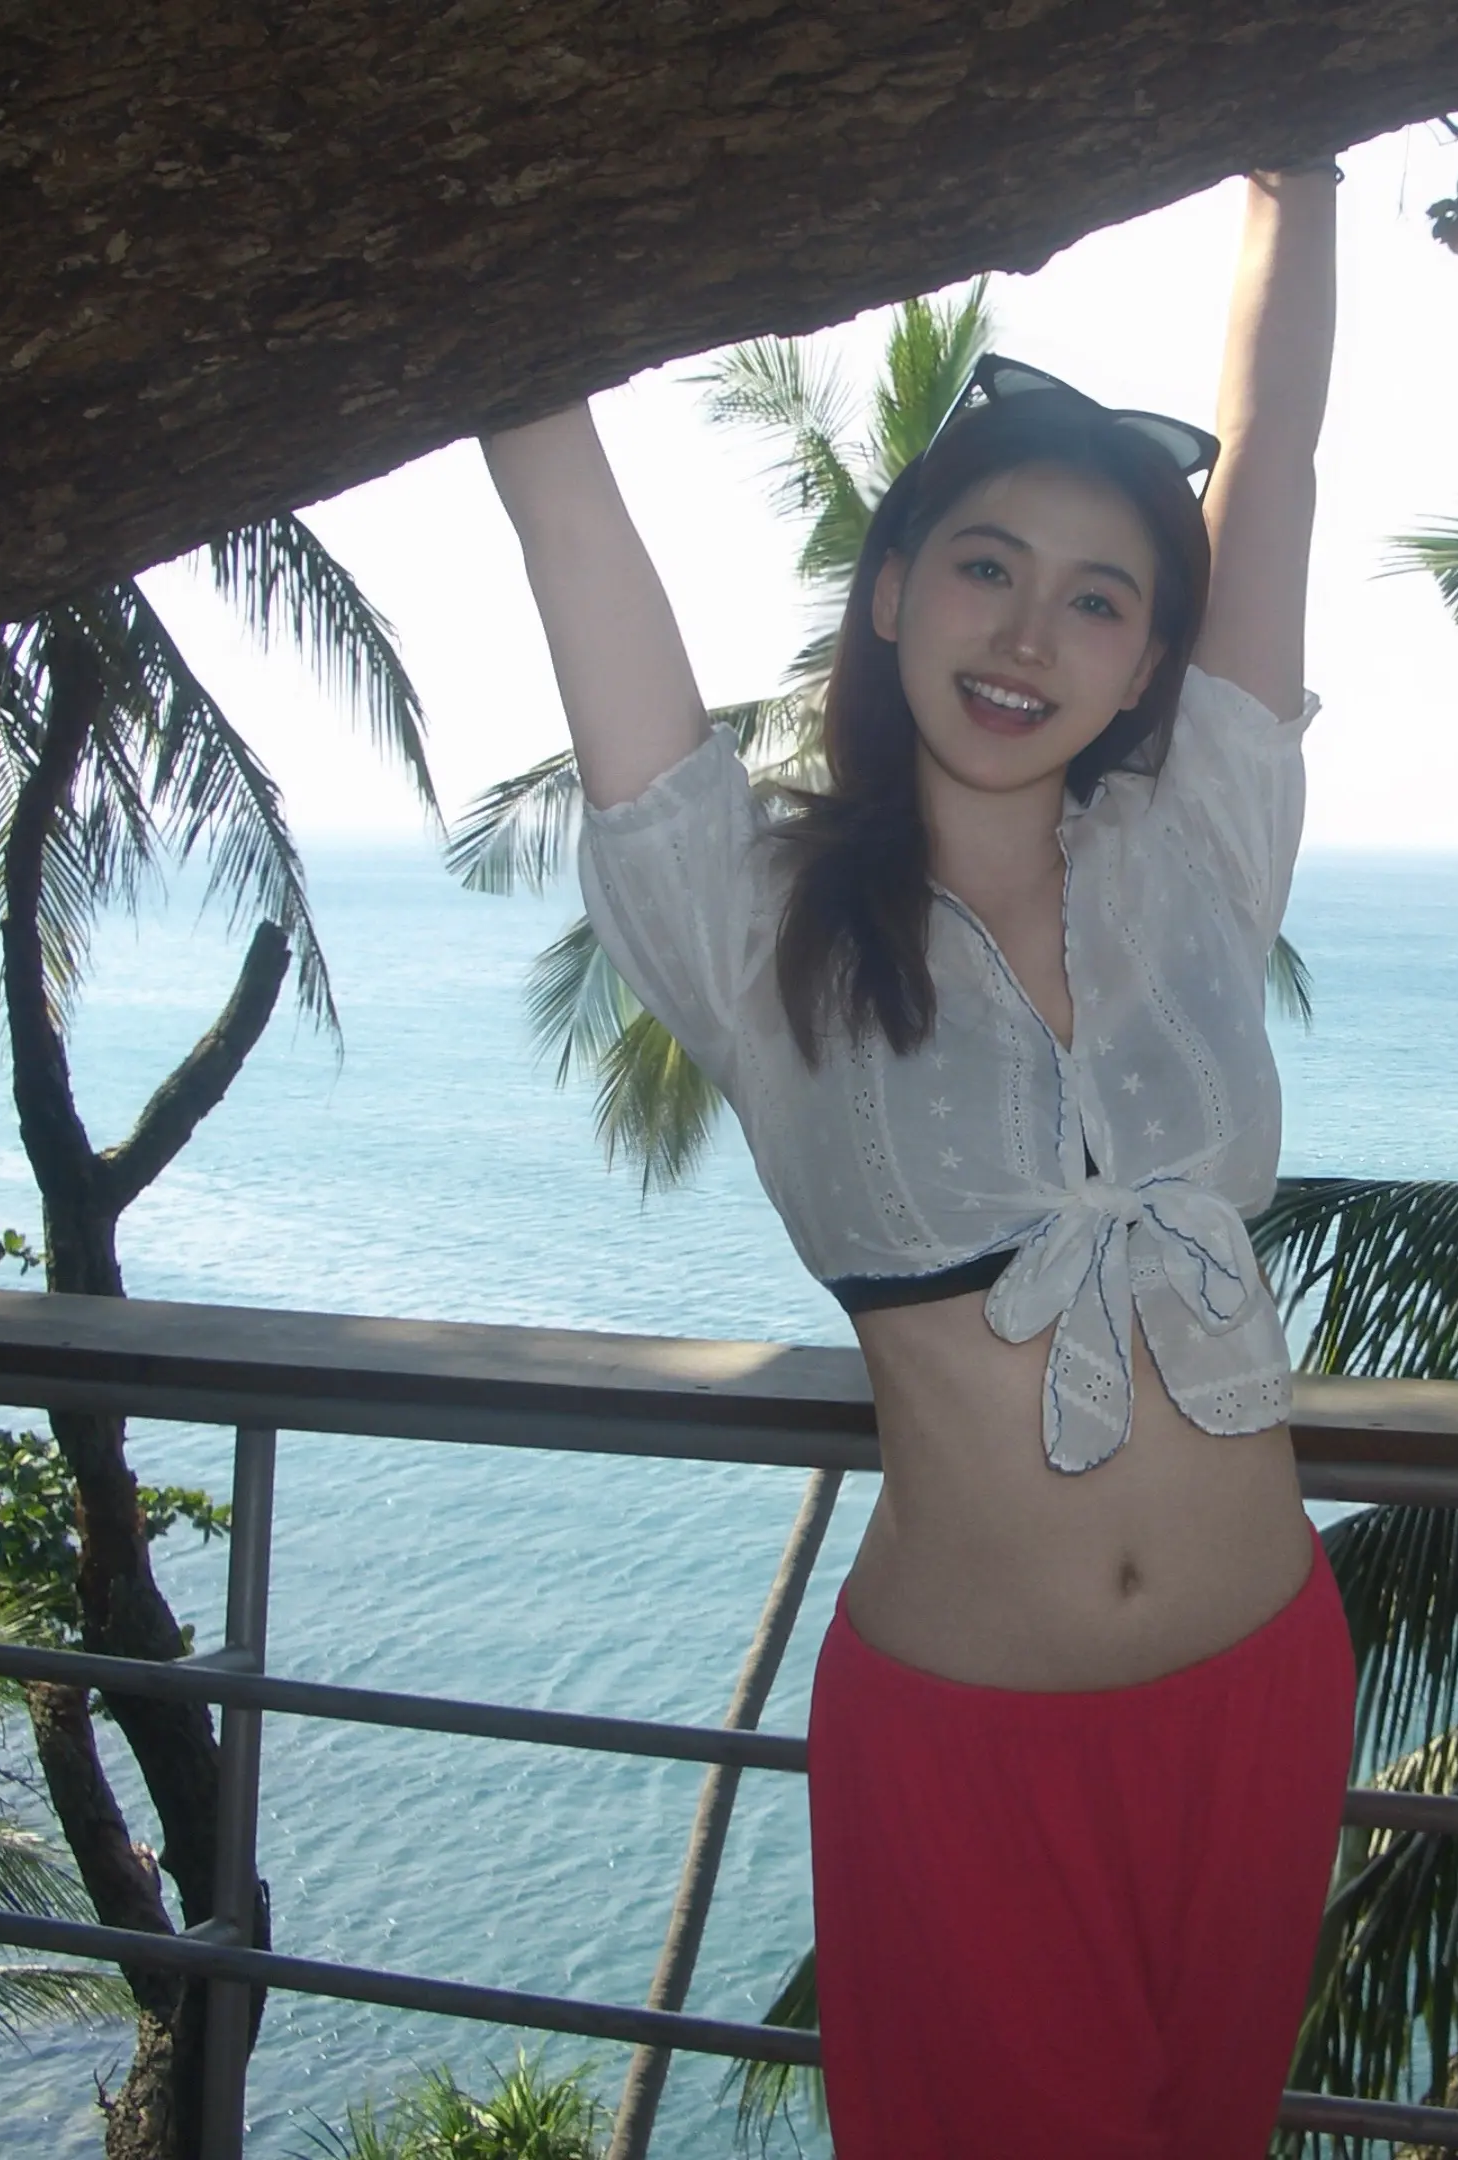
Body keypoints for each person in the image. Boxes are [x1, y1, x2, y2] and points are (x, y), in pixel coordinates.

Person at [480, 167, 1344, 2157]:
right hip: (968, 1739)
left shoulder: (1202, 847)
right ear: (889, 593)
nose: (1031, 632)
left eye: (1100, 598)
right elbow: (567, 520)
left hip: (1265, 1678)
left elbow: (1279, 452)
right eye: (985, 568)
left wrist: (1299, 163)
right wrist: (483, 279)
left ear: (1149, 662)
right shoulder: (748, 915)